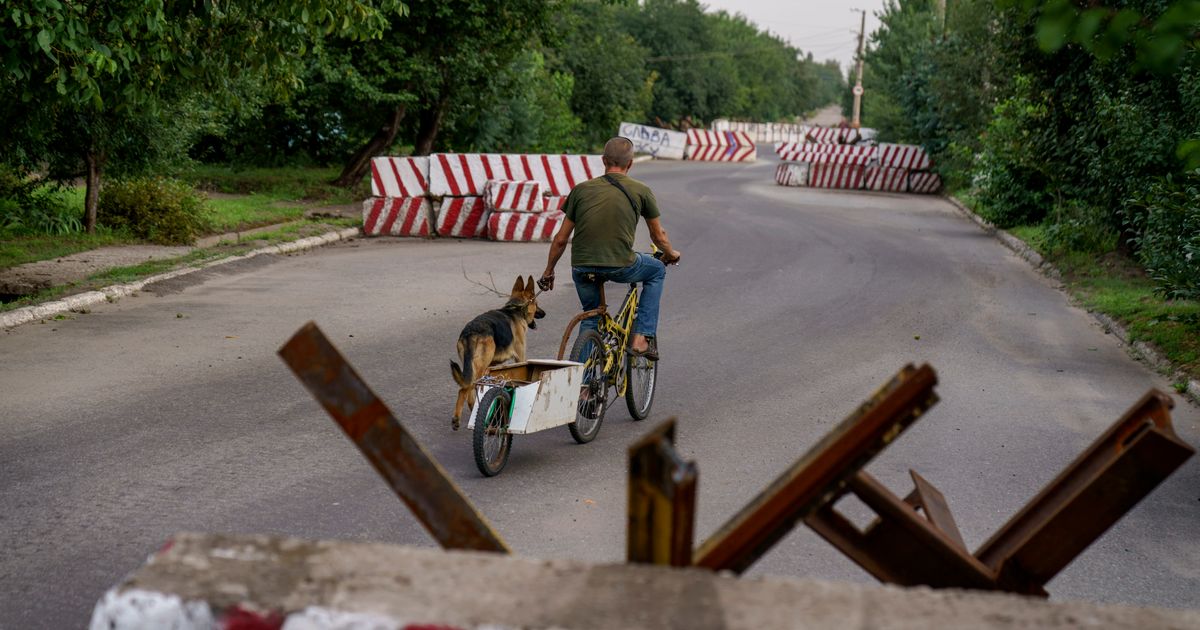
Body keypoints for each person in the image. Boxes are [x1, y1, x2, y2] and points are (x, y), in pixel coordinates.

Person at [538, 137, 681, 360]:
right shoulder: (641, 190)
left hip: (582, 267)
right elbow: (658, 236)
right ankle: (642, 337)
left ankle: (583, 389)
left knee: (591, 315)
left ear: (603, 161)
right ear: (631, 164)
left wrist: (549, 271)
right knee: (656, 271)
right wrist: (671, 253)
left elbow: (560, 239)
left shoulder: (581, 190)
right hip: (621, 264)